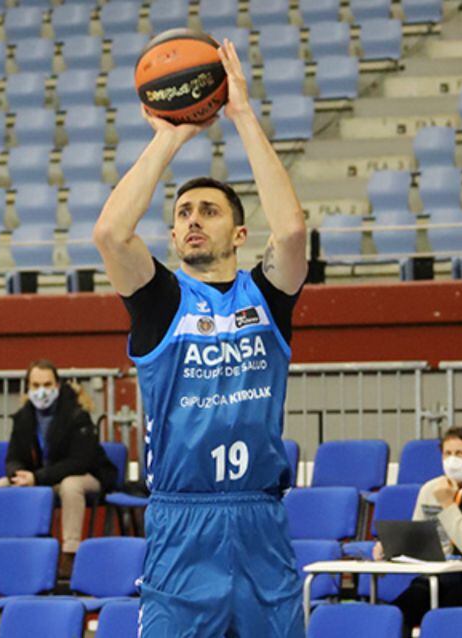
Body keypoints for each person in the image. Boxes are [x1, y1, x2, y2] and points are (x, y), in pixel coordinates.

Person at [93, 39, 308, 637]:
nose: (192, 218)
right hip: (182, 521)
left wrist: (240, 115)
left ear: (239, 233)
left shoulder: (265, 297)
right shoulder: (161, 302)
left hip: (260, 518)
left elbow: (291, 232)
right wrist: (170, 136)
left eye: (208, 210)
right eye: (183, 211)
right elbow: (111, 233)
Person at [376, 425, 462, 629]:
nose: (453, 460)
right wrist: (390, 550)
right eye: (447, 454)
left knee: (450, 619)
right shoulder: (430, 489)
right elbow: (417, 545)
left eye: (460, 454)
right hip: (439, 578)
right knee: (395, 616)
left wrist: (448, 506)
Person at [0, 359, 117, 577]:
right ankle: (9, 553)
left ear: (57, 385)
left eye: (47, 384)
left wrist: (37, 477)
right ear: (28, 387)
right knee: (2, 485)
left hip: (87, 476)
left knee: (70, 486)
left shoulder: (77, 415)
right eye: (35, 385)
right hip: (44, 479)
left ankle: (69, 556)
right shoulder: (23, 418)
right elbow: (13, 457)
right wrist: (18, 475)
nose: (41, 391)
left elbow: (80, 462)